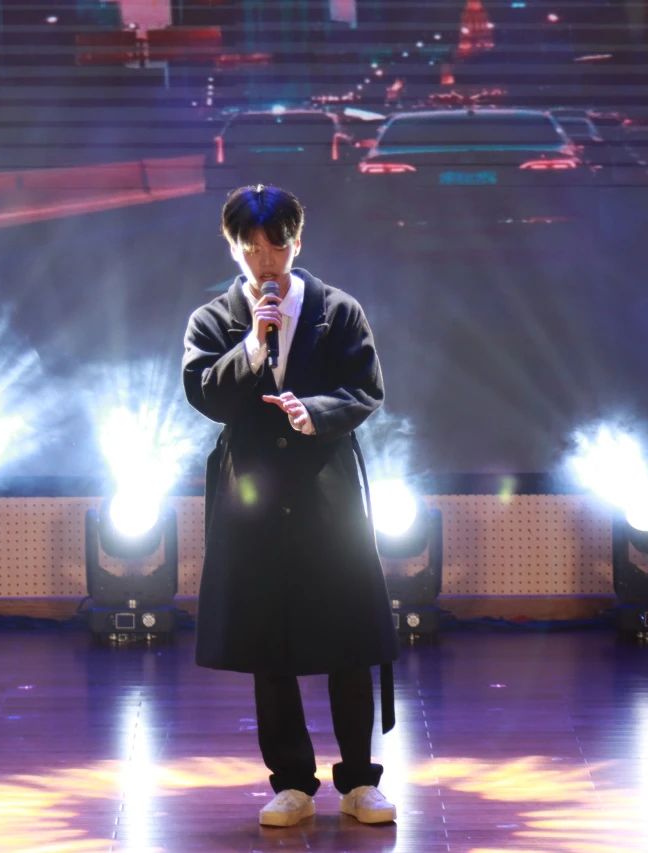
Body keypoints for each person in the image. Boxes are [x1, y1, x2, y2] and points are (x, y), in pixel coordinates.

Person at [182, 184, 399, 827]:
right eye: (250, 247)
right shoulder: (212, 319)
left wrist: (317, 412)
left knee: (348, 635)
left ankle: (360, 782)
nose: (264, 260)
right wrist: (253, 344)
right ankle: (292, 783)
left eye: (276, 245)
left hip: (327, 490)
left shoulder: (338, 310)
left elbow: (365, 388)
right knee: (267, 641)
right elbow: (205, 393)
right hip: (252, 494)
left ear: (297, 242)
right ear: (232, 248)